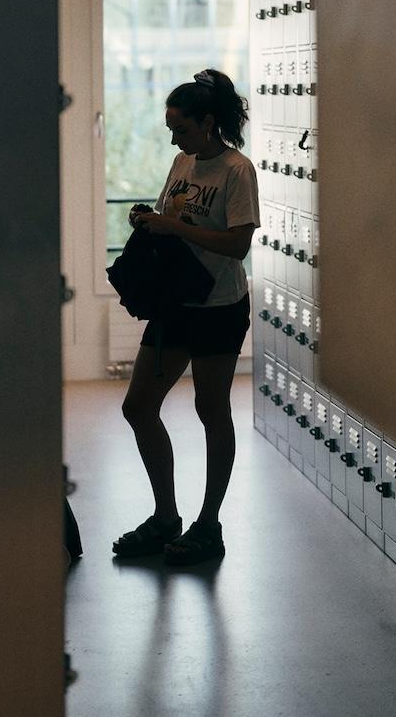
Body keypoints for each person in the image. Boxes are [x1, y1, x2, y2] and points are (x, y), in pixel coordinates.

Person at [112, 68, 259, 566]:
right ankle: (165, 516)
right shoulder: (182, 162)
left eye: (182, 127)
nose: (175, 137)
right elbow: (170, 217)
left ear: (209, 122)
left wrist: (174, 227)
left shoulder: (238, 171)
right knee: (138, 406)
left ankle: (208, 523)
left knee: (211, 410)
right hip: (177, 301)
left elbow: (239, 244)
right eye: (172, 128)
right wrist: (149, 223)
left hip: (218, 306)